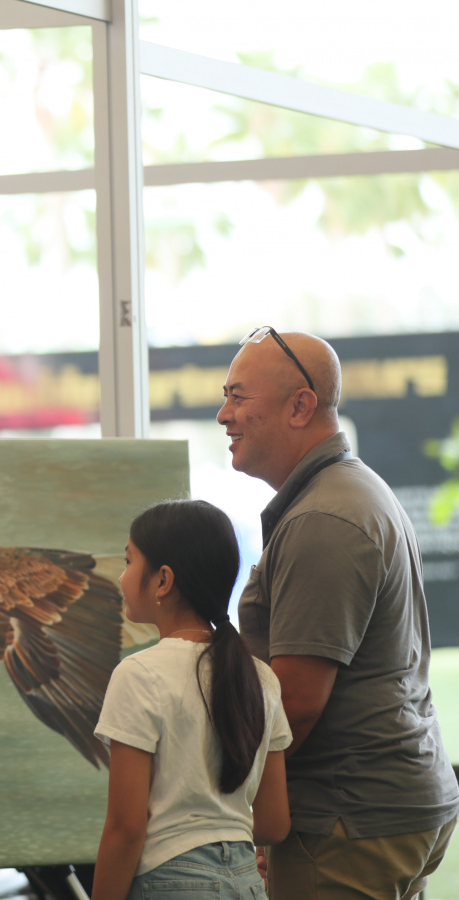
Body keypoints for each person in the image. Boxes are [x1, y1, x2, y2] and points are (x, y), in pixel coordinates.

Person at [219, 326, 459, 898]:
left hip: (347, 820)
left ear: (300, 406)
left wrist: (243, 811)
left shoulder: (323, 518)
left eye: (238, 397)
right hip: (379, 809)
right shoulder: (344, 493)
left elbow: (296, 704)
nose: (224, 415)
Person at [92, 499, 291, 900]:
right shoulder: (261, 678)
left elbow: (126, 829)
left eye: (128, 561)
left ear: (163, 580)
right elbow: (274, 823)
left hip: (171, 882)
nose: (122, 577)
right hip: (247, 883)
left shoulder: (138, 674)